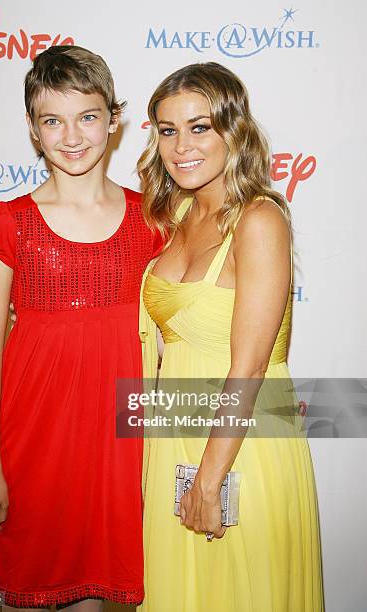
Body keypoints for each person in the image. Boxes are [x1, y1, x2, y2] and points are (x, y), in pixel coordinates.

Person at [0, 45, 161, 610]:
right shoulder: (10, 223)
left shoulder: (152, 220)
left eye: (88, 117)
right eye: (53, 120)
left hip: (117, 453)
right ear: (33, 128)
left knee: (94, 599)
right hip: (31, 451)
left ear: (113, 120)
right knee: (22, 592)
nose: (71, 136)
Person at [137, 62, 324, 611]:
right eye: (167, 130)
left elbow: (250, 367)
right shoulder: (179, 213)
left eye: (200, 127)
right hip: (174, 435)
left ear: (233, 130)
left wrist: (210, 478)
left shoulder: (260, 219)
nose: (181, 146)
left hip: (239, 447)